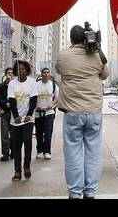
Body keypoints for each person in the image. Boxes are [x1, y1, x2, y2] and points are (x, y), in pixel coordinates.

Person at [54, 24, 108, 199]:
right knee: (93, 153)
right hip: (93, 111)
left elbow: (58, 70)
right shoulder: (96, 55)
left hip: (72, 112)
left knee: (73, 154)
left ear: (71, 39)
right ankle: (90, 192)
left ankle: (75, 193)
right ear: (86, 37)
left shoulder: (63, 56)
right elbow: (105, 74)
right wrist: (97, 49)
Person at [7, 60, 39, 181]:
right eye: (19, 69)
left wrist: (29, 115)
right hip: (15, 120)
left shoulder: (32, 83)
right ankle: (17, 171)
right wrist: (15, 116)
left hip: (28, 119)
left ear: (27, 70)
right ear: (16, 71)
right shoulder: (12, 84)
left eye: (23, 69)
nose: (21, 71)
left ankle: (27, 166)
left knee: (27, 141)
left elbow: (33, 100)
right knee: (16, 146)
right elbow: (12, 101)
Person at [34, 66, 58, 160]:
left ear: (50, 74)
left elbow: (57, 98)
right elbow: (32, 98)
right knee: (39, 133)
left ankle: (47, 151)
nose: (46, 74)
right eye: (44, 72)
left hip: (49, 112)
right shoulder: (36, 85)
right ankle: (39, 150)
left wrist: (51, 104)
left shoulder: (53, 85)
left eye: (48, 72)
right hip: (38, 113)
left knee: (48, 133)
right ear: (41, 74)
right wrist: (36, 105)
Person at [0, 66, 14, 161]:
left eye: (11, 73)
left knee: (14, 134)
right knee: (4, 134)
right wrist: (5, 103)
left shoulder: (16, 85)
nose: (10, 75)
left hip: (14, 113)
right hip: (4, 112)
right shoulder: (1, 86)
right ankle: (5, 153)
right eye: (8, 73)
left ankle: (13, 151)